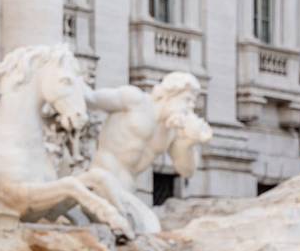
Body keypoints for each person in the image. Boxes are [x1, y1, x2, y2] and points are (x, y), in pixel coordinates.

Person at [79, 72, 212, 233]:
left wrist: (190, 141)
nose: (191, 107)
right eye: (187, 100)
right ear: (169, 94)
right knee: (149, 226)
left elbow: (186, 170)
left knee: (142, 229)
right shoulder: (135, 100)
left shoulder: (171, 131)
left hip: (126, 188)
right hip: (100, 176)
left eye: (193, 102)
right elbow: (90, 98)